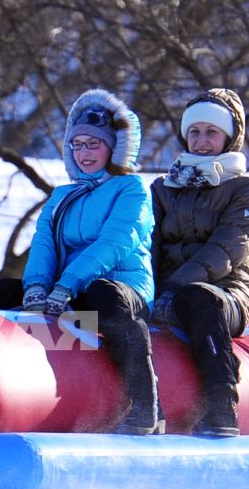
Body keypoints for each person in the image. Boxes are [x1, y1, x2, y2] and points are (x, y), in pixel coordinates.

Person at [20, 88, 162, 435]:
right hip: (64, 294)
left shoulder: (132, 189)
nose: (84, 153)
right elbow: (43, 243)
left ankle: (145, 407)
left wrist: (68, 283)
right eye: (77, 144)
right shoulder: (62, 196)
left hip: (121, 288)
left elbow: (116, 242)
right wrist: (37, 286)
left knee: (105, 296)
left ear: (113, 148)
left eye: (93, 144)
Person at [149, 88, 249, 437]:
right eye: (194, 132)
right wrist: (148, 291)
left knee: (199, 298)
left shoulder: (246, 189)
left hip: (224, 293)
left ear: (229, 137)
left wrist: (174, 289)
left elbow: (228, 249)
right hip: (164, 296)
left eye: (211, 133)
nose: (201, 141)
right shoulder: (162, 188)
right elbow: (148, 246)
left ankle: (221, 407)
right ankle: (140, 407)